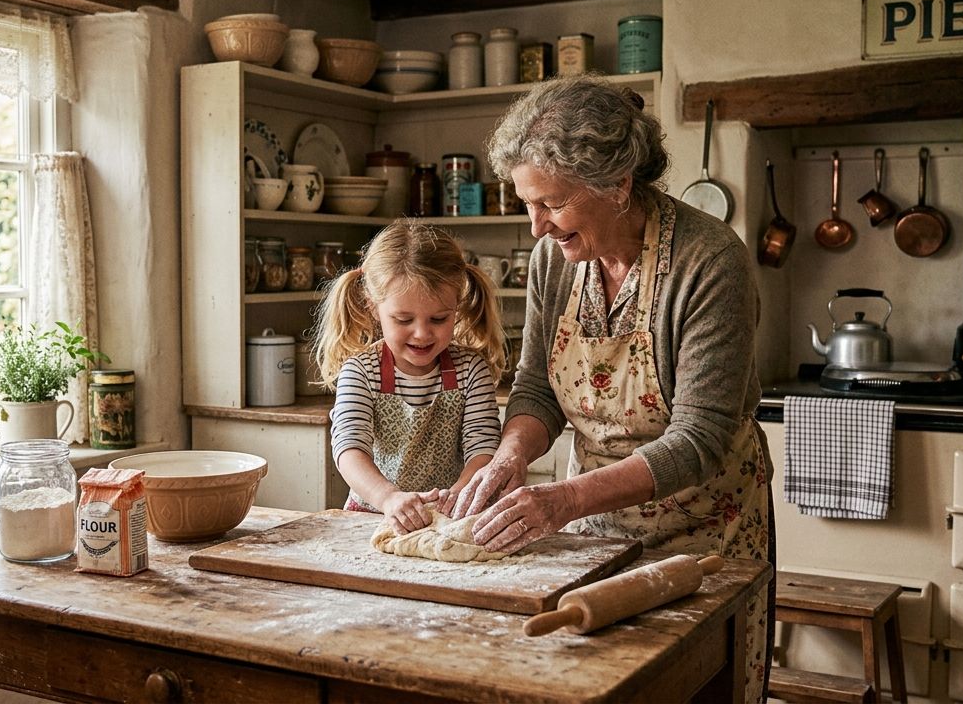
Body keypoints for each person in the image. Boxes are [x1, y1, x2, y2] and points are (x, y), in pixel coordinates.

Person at [449, 75, 772, 701]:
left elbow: (700, 438)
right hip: (592, 527)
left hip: (707, 529)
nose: (537, 226)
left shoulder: (709, 263)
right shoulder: (555, 260)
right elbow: (537, 386)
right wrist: (512, 455)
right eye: (525, 202)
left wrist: (561, 501)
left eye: (551, 203)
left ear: (618, 186)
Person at [313, 222, 507, 535]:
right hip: (373, 518)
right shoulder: (361, 372)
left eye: (439, 318)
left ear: (456, 307)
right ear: (374, 308)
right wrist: (388, 498)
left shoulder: (471, 371)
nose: (422, 333)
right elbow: (349, 449)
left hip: (449, 521)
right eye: (404, 319)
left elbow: (483, 447)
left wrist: (458, 496)